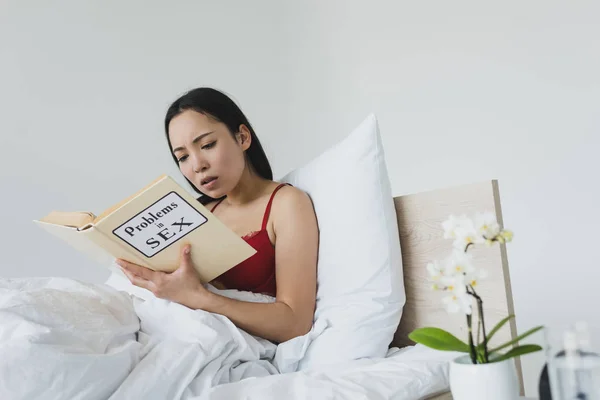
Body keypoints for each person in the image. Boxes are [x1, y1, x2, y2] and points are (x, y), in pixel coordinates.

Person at [116, 87, 318, 343]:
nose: (198, 165)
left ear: (242, 137)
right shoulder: (194, 214)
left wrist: (199, 297)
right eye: (183, 157)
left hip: (229, 345)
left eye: (208, 145)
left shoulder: (286, 204)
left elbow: (296, 323)